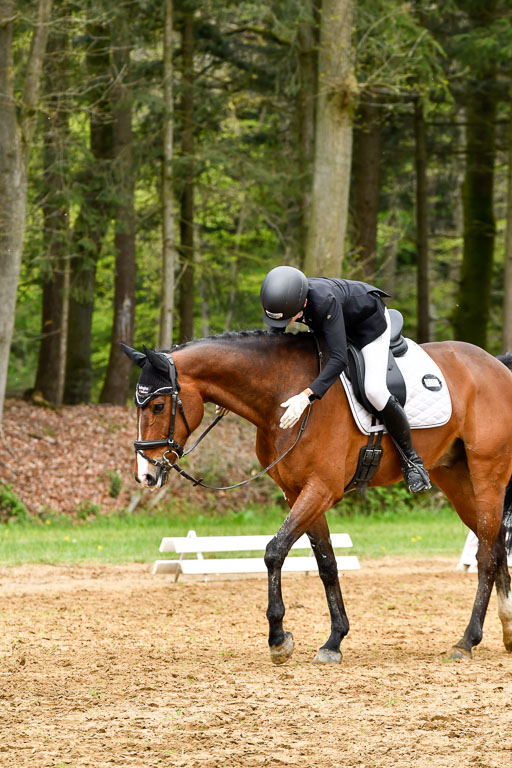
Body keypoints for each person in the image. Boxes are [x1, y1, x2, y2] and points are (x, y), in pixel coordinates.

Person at [260, 265, 431, 493]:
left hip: (368, 326)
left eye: (290, 319)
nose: (287, 324)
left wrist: (306, 396)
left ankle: (412, 461)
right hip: (333, 324)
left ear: (303, 304)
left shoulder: (323, 301)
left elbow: (339, 359)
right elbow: (275, 343)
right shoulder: (285, 300)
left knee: (374, 390)